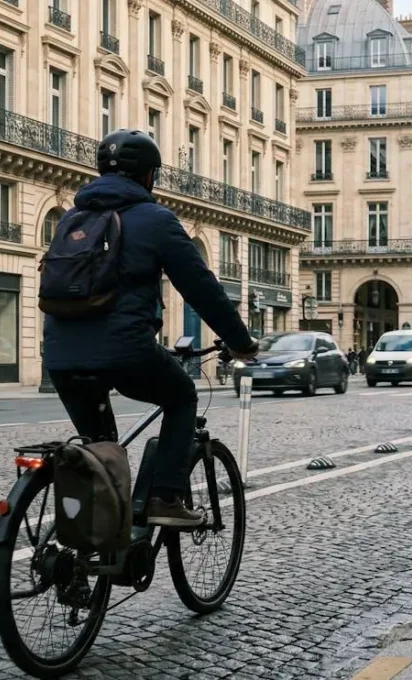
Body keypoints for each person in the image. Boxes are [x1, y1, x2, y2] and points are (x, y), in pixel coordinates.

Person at [43, 129, 260, 528]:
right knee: (181, 397)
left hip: (60, 356)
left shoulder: (71, 219)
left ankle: (92, 561)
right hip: (125, 350)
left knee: (101, 450)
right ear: (149, 176)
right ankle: (164, 497)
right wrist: (241, 342)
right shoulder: (157, 220)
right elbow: (200, 288)